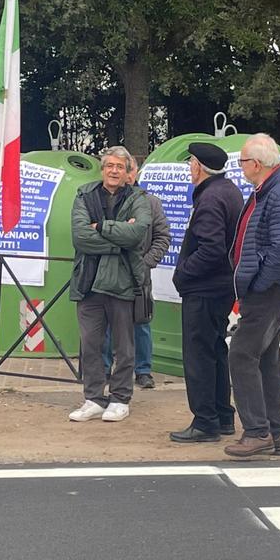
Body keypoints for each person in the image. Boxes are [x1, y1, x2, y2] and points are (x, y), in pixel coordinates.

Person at [224, 133, 280, 459]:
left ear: (256, 164)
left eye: (242, 161)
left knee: (242, 355)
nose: (241, 167)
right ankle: (274, 434)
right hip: (269, 289)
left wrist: (257, 282)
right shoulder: (271, 191)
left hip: (269, 291)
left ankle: (257, 432)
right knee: (266, 359)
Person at [69, 145, 153, 423]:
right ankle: (93, 397)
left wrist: (101, 227)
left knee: (124, 347)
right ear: (102, 169)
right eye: (109, 166)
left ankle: (120, 398)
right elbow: (80, 237)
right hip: (88, 281)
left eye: (120, 167)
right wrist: (120, 242)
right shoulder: (85, 194)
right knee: (90, 344)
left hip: (124, 283)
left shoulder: (139, 197)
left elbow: (138, 234)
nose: (114, 171)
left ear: (129, 172)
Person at [168, 141, 244, 443]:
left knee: (199, 355)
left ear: (198, 166)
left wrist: (183, 273)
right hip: (222, 287)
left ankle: (205, 422)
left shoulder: (210, 198)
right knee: (215, 351)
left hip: (204, 289)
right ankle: (223, 416)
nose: (189, 168)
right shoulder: (229, 190)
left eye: (190, 163)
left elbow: (211, 249)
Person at [102, 155, 171, 388]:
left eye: (126, 169)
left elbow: (163, 236)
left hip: (138, 274)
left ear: (134, 172)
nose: (123, 174)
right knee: (107, 321)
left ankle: (143, 371)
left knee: (141, 321)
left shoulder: (151, 203)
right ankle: (104, 368)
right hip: (109, 272)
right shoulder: (105, 200)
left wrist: (146, 262)